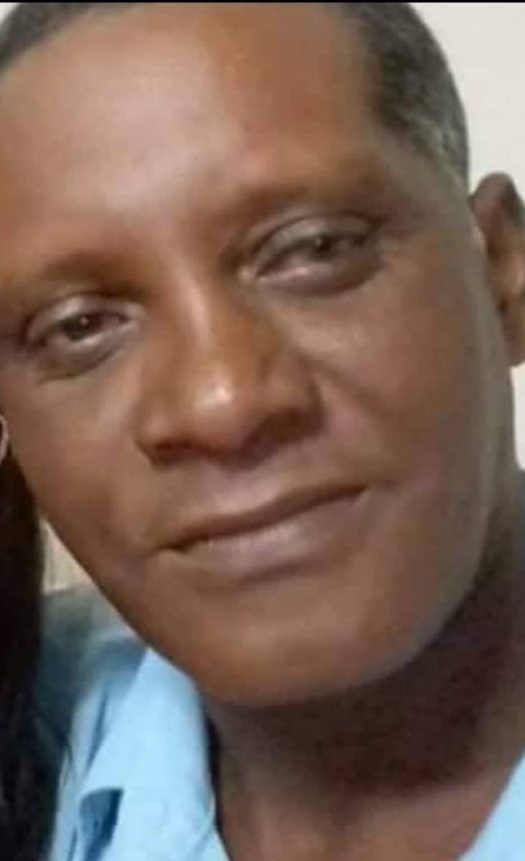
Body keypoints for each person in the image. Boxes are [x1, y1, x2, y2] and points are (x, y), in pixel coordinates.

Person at [0, 1, 525, 858]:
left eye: (312, 250)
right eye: (79, 326)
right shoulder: (30, 731)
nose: (221, 401)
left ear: (502, 271)